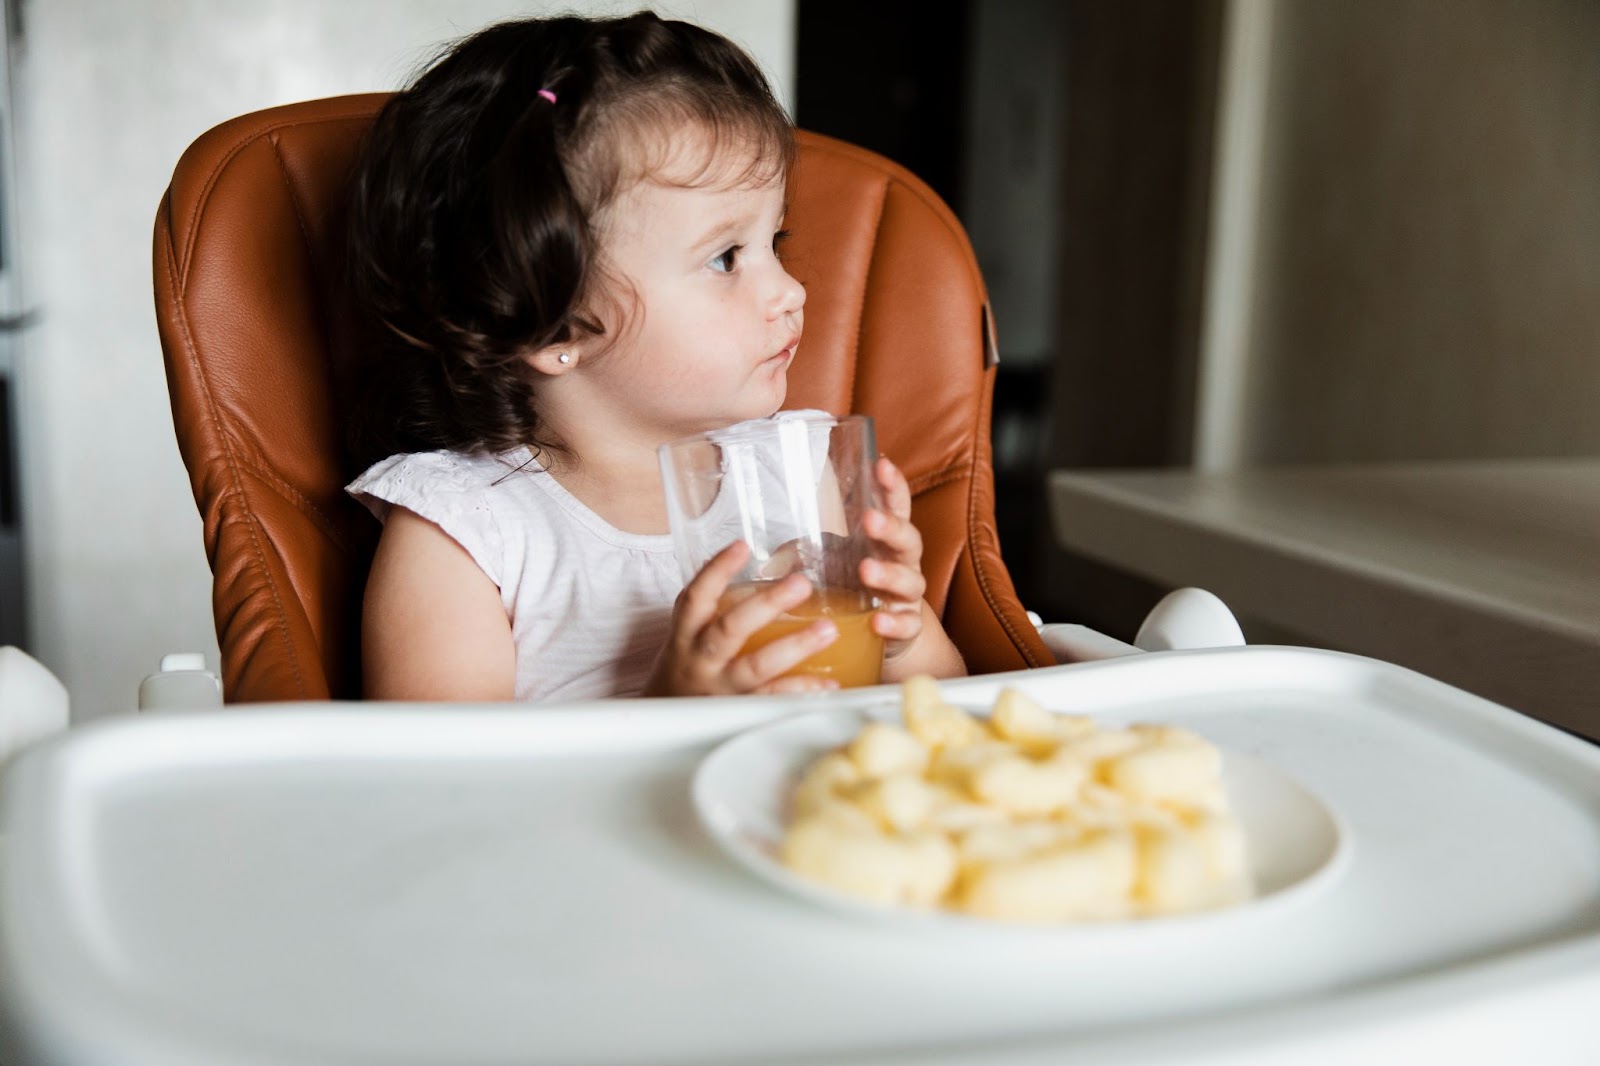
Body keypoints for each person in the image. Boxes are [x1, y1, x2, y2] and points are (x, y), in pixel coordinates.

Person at [344, 11, 966, 702]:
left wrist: (904, 639)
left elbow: (942, 712)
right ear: (553, 331)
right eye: (726, 257)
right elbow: (443, 786)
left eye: (776, 242)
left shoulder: (796, 474)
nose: (791, 291)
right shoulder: (465, 528)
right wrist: (672, 702)